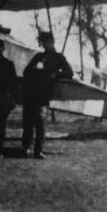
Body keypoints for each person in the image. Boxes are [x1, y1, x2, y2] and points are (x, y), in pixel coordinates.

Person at [21, 31, 73, 159]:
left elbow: (69, 72)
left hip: (44, 94)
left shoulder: (59, 57)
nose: (45, 45)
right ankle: (26, 148)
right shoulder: (38, 56)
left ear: (52, 42)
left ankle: (38, 151)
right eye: (43, 42)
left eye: (47, 42)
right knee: (27, 122)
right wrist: (36, 71)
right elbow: (26, 72)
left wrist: (56, 74)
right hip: (31, 93)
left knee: (39, 122)